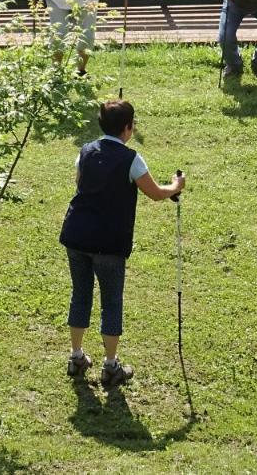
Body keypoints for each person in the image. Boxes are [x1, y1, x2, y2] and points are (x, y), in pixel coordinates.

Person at [58, 100, 184, 387]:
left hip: (76, 235)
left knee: (80, 295)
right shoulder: (131, 159)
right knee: (111, 302)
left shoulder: (85, 151)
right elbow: (154, 193)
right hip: (109, 242)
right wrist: (176, 186)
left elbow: (80, 183)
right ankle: (111, 365)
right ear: (128, 128)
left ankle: (76, 357)